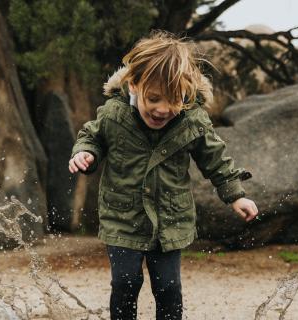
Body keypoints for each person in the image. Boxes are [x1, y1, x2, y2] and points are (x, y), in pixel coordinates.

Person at [69, 30, 258, 320]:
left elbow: (216, 160)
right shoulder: (113, 114)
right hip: (123, 218)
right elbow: (91, 137)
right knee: (126, 282)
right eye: (154, 98)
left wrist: (235, 195)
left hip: (170, 220)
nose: (163, 109)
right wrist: (86, 154)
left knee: (168, 287)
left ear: (187, 91)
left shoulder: (192, 121)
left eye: (174, 99)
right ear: (134, 84)